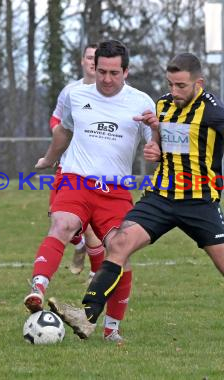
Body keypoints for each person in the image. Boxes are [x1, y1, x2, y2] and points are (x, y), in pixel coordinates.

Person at [53, 53, 224, 341]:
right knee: (119, 244)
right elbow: (159, 140)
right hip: (160, 197)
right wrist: (154, 147)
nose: (174, 92)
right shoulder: (163, 105)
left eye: (181, 86)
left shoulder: (211, 109)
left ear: (198, 83)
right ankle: (88, 315)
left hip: (199, 202)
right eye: (170, 84)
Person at [24, 40, 161, 343]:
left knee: (119, 251)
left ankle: (112, 328)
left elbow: (156, 141)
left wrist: (156, 144)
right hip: (76, 180)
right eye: (102, 72)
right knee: (63, 224)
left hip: (115, 190)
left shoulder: (141, 102)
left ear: (126, 71)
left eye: (114, 73)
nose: (107, 79)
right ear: (93, 67)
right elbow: (64, 131)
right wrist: (49, 159)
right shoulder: (76, 95)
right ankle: (37, 288)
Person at [48, 43, 105, 280]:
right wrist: (62, 137)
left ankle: (97, 272)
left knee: (90, 222)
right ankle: (80, 243)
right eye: (89, 57)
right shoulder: (71, 91)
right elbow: (56, 120)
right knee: (56, 214)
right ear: (82, 61)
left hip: (98, 169)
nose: (92, 62)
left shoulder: (115, 94)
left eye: (97, 58)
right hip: (69, 164)